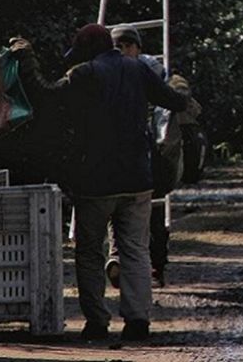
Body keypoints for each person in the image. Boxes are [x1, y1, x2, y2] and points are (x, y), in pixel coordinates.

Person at [10, 23, 188, 342]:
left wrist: (27, 59)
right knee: (135, 250)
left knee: (90, 251)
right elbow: (175, 101)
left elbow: (45, 95)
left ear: (87, 50)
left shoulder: (84, 74)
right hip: (138, 178)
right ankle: (138, 322)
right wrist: (179, 85)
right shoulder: (138, 69)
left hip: (96, 180)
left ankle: (97, 322)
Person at [105, 24, 195, 288]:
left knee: (153, 210)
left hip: (151, 150)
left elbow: (172, 100)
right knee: (117, 208)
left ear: (138, 48)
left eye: (127, 46)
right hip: (119, 151)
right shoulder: (107, 73)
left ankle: (156, 266)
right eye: (117, 47)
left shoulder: (150, 71)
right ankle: (117, 260)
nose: (122, 51)